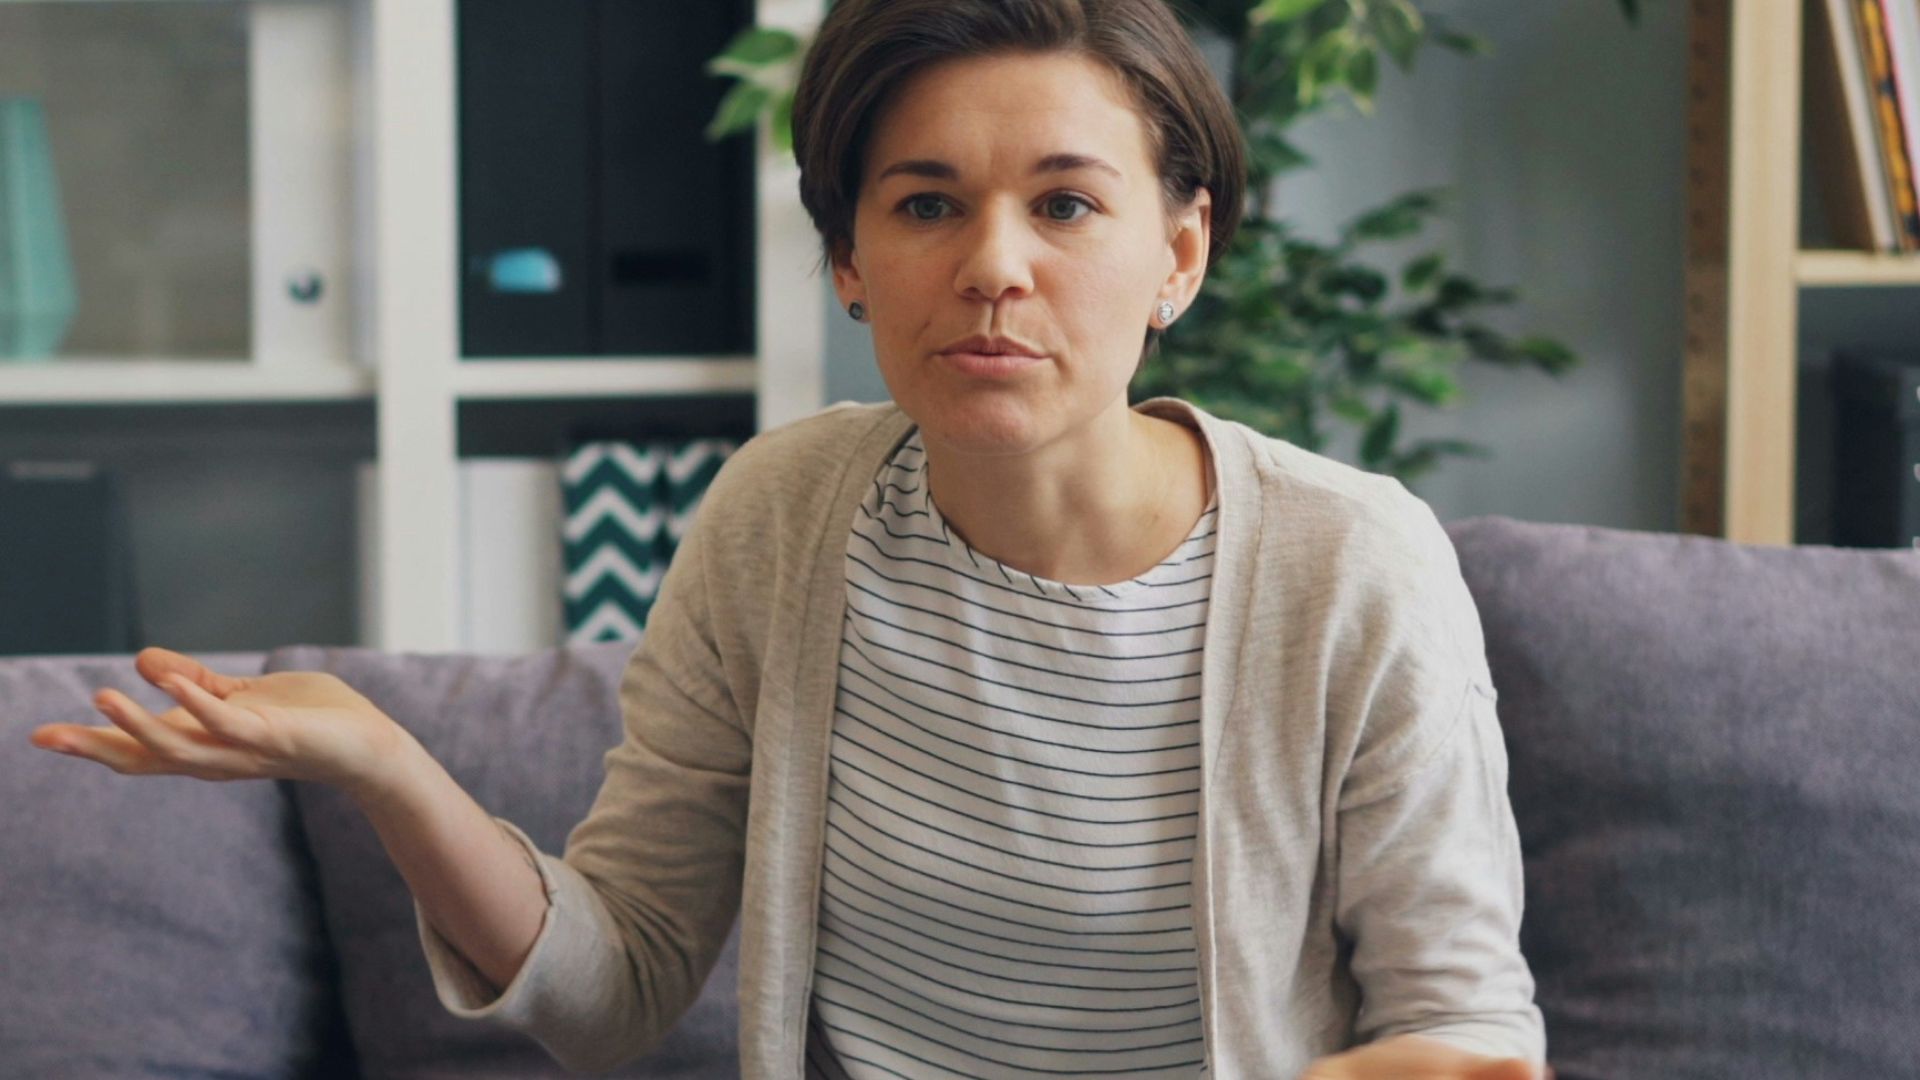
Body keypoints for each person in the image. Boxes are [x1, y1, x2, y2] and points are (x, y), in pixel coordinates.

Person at [30, 1, 1554, 1077]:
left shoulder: (1353, 566)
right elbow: (608, 989)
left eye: (1068, 206)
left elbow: (1467, 1027)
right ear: (845, 258)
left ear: (1180, 249)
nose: (993, 268)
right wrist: (383, 762)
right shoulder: (783, 517)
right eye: (925, 204)